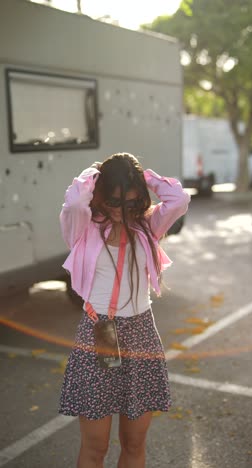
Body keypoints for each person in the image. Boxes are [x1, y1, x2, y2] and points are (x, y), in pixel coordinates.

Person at [58, 152, 191, 468]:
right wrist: (95, 173)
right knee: (96, 446)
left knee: (134, 443)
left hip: (142, 333)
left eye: (131, 203)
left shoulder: (147, 226)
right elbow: (76, 203)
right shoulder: (84, 229)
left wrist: (142, 176)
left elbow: (179, 199)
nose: (122, 211)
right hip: (99, 332)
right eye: (113, 202)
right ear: (101, 197)